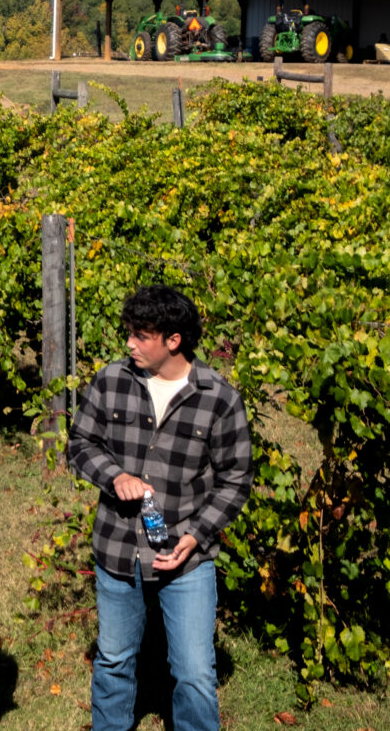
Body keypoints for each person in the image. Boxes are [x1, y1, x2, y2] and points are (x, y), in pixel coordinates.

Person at [68, 286, 252, 731]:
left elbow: (235, 480)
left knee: (193, 674)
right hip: (118, 548)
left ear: (173, 340)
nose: (129, 343)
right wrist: (115, 477)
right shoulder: (112, 380)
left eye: (141, 335)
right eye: (129, 333)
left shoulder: (218, 398)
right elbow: (80, 444)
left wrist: (196, 536)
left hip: (185, 559)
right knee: (112, 660)